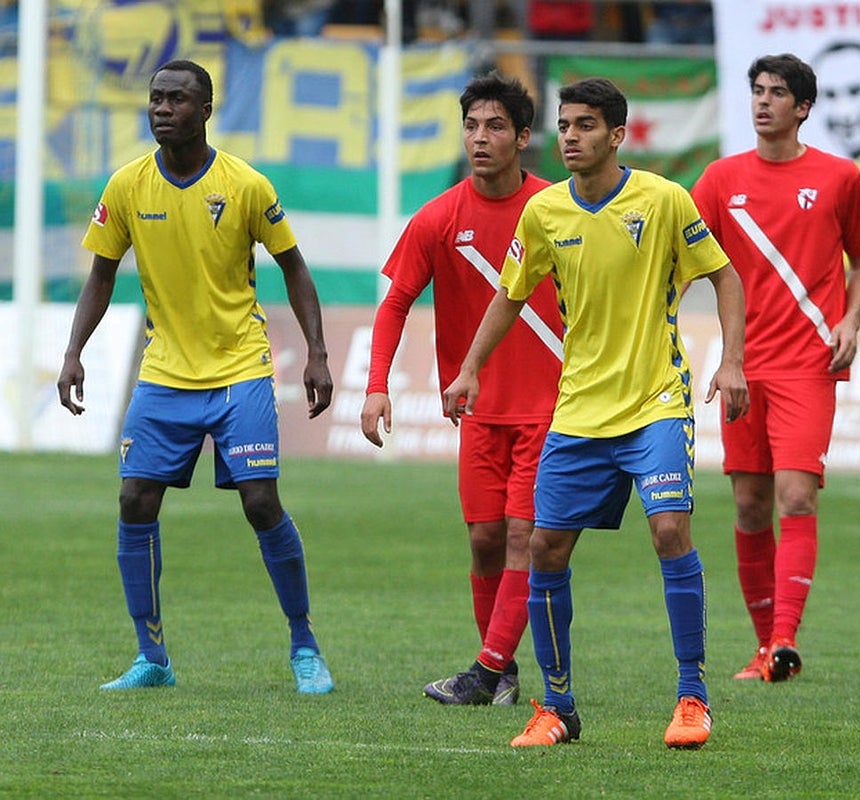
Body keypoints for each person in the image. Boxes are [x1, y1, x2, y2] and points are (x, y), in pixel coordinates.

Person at [443, 77, 748, 749]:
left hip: (655, 402)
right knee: (546, 548)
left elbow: (725, 275)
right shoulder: (545, 213)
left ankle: (693, 698)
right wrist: (469, 368)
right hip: (579, 411)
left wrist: (732, 361)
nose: (570, 136)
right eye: (564, 124)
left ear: (617, 135)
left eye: (585, 125)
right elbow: (510, 295)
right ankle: (556, 707)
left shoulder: (664, 200)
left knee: (670, 530)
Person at [57, 59, 335, 694]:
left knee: (260, 501)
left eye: (176, 99)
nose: (161, 108)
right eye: (155, 98)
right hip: (165, 372)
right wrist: (74, 351)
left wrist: (317, 351)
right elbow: (101, 274)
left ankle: (304, 646)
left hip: (239, 366)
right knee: (133, 500)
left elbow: (293, 266)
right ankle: (151, 657)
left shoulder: (246, 185)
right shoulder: (126, 186)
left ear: (205, 110)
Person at [360, 72, 561, 707]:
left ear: (523, 137)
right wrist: (375, 387)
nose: (480, 137)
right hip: (477, 408)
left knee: (524, 535)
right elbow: (394, 304)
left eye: (496, 126)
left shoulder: (555, 210)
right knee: (484, 541)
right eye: (472, 125)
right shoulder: (439, 217)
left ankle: (485, 669)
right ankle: (500, 672)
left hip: (552, 406)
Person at [690, 53, 860, 683]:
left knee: (796, 494)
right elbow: (684, 261)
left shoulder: (838, 178)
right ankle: (763, 647)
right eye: (756, 90)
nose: (762, 101)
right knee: (749, 504)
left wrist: (850, 321)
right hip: (743, 367)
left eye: (777, 93)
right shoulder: (719, 181)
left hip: (808, 363)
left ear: (803, 108)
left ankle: (783, 641)